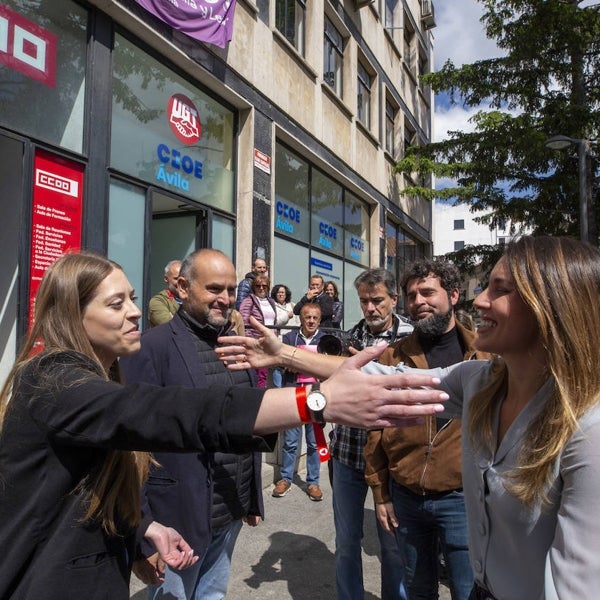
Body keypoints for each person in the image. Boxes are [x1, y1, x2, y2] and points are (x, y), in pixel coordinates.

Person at [0, 251, 448, 599]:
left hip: (216, 516)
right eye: (117, 303)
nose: (135, 311)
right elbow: (175, 414)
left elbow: (89, 484)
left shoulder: (226, 344)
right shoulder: (55, 381)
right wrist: (318, 401)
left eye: (133, 298)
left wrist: (141, 528)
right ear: (71, 313)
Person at [218, 236, 600, 600]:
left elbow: (576, 586)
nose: (480, 299)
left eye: (500, 289)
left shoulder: (588, 431)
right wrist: (284, 353)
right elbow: (376, 381)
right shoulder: (479, 381)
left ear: (549, 306)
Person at [120, 249, 264, 600]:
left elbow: (249, 423)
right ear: (182, 288)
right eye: (215, 289)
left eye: (231, 290)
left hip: (229, 509)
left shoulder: (238, 346)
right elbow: (130, 448)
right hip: (177, 519)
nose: (226, 299)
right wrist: (141, 536)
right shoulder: (149, 348)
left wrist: (251, 499)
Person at [364, 259, 490, 600]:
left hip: (462, 499)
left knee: (469, 590)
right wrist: (381, 494)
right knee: (419, 590)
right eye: (412, 295)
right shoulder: (393, 356)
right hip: (406, 496)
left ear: (453, 294)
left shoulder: (483, 355)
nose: (418, 301)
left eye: (428, 292)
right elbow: (375, 429)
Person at [332, 268, 413, 600]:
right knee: (347, 542)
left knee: (393, 545)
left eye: (377, 300)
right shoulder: (351, 337)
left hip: (393, 462)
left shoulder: (413, 336)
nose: (370, 308)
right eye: (364, 300)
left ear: (393, 299)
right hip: (348, 456)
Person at [272, 304, 327, 502]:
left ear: (319, 320)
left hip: (317, 396)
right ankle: (286, 478)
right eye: (307, 317)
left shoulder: (326, 341)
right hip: (294, 394)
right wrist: (289, 364)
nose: (311, 321)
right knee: (290, 442)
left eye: (315, 318)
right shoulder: (288, 339)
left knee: (314, 442)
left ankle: (313, 482)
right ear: (301, 319)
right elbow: (278, 359)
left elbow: (331, 367)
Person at [239, 274, 278, 388]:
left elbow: (274, 322)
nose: (261, 288)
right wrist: (251, 341)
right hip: (257, 342)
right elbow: (244, 323)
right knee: (258, 374)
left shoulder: (271, 301)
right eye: (258, 286)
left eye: (264, 286)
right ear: (253, 287)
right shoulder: (249, 300)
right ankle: (257, 397)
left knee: (264, 374)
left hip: (269, 342)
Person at [148, 259, 182, 326]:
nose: (181, 283)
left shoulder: (193, 299)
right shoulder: (158, 301)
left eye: (184, 279)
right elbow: (172, 328)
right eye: (176, 279)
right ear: (166, 279)